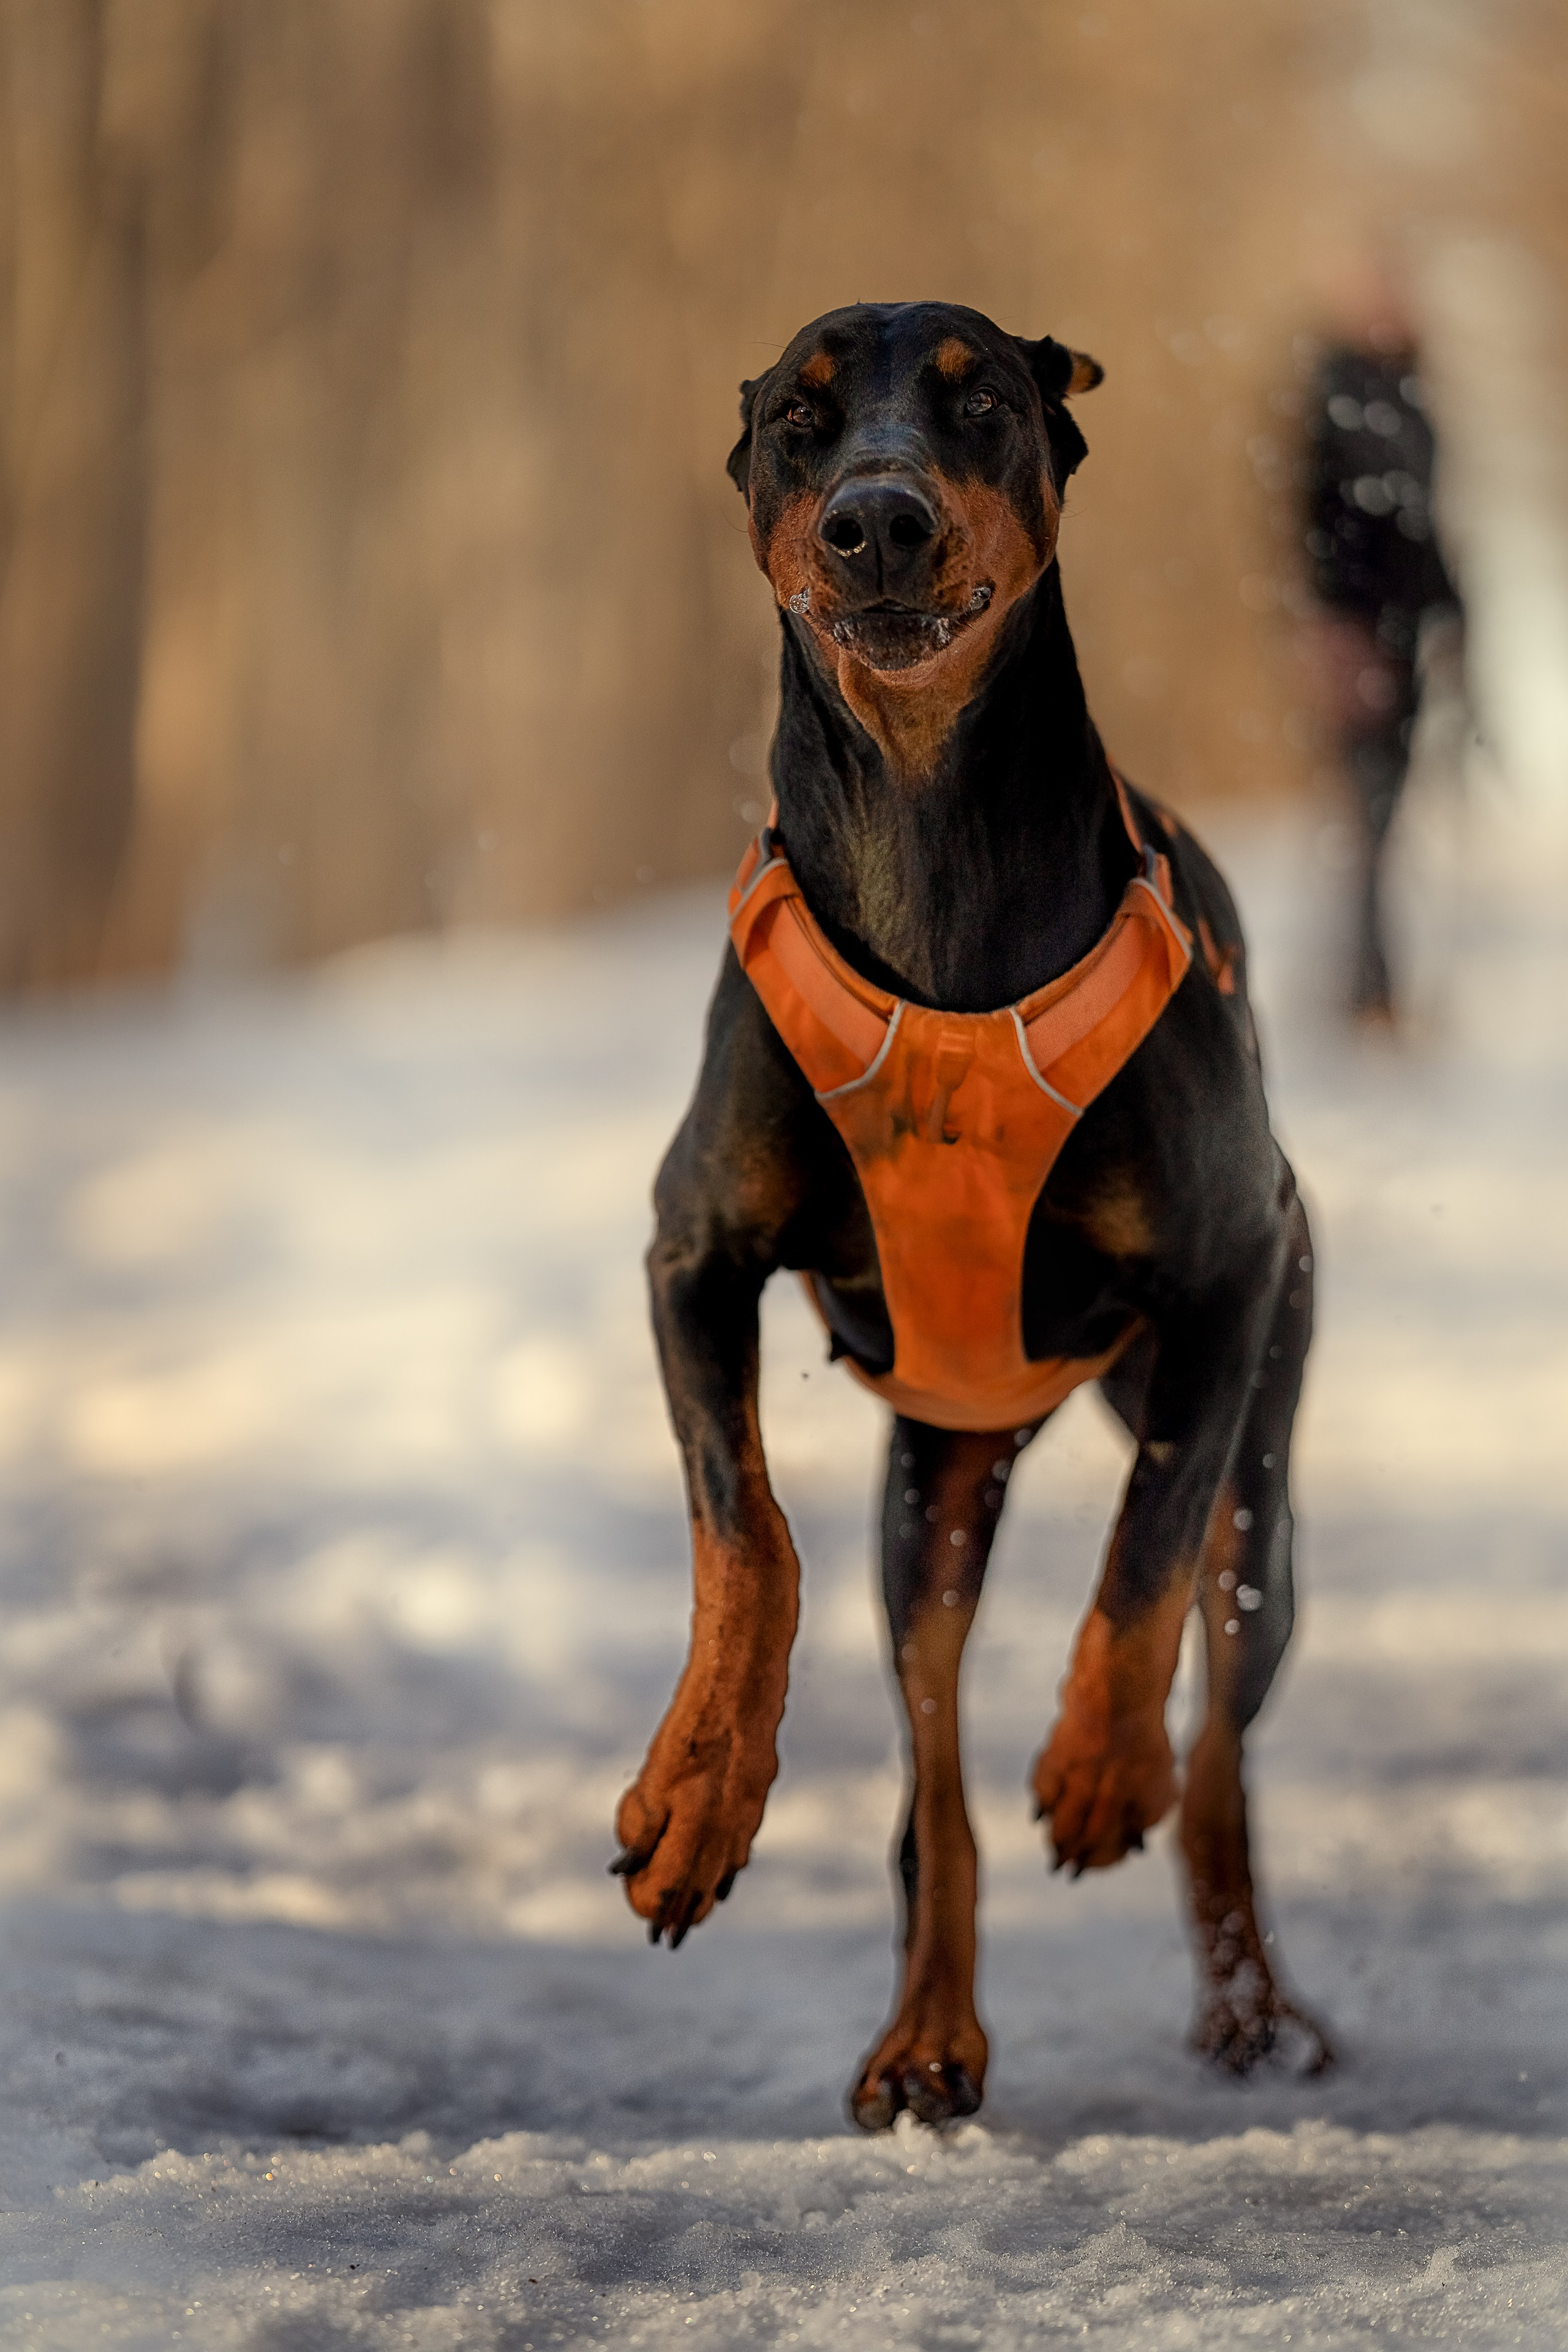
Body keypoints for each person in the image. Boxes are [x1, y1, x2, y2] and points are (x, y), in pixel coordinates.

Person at [1300, 306, 1461, 1020]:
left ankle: (1377, 986)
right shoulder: (1338, 400)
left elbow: (1424, 528)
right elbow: (1318, 525)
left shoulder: (1409, 399)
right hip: (1361, 634)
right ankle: (1368, 992)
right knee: (1369, 818)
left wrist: (1456, 616)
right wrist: (1335, 629)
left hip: (1407, 635)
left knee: (1384, 818)